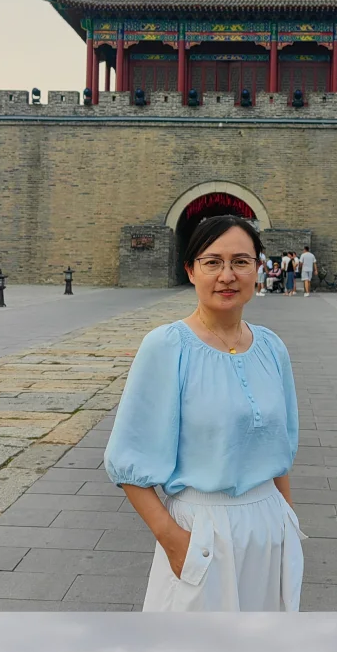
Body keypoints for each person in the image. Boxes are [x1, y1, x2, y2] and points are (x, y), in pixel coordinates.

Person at [104, 214, 305, 612]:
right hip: (202, 528)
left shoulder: (271, 347)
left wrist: (287, 516)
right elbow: (127, 458)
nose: (227, 276)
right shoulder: (167, 346)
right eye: (213, 262)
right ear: (191, 270)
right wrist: (172, 541)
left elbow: (279, 444)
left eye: (240, 262)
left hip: (269, 528)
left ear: (258, 268)